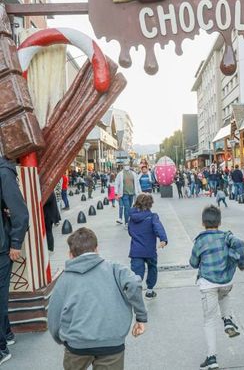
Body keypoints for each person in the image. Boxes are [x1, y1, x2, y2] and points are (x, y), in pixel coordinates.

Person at [48, 227, 147, 370]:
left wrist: (62, 339)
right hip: (111, 342)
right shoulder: (115, 269)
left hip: (76, 343)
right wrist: (141, 317)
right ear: (96, 249)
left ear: (70, 254)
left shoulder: (65, 279)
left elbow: (54, 316)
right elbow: (133, 283)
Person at [190, 205, 244, 370]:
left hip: (208, 283)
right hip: (226, 282)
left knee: (209, 320)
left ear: (203, 223)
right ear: (219, 222)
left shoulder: (201, 240)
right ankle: (228, 320)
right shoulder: (226, 237)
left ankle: (211, 358)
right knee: (223, 294)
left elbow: (193, 263)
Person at [0, 156, 28, 365]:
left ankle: (1, 346)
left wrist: (16, 242)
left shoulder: (3, 172)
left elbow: (19, 211)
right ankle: (6, 334)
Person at [127, 194, 168, 299]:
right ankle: (150, 291)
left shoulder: (132, 217)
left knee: (136, 273)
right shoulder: (152, 217)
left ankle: (136, 292)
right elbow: (158, 228)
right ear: (150, 205)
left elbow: (130, 232)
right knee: (152, 268)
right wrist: (163, 239)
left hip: (136, 250)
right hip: (150, 249)